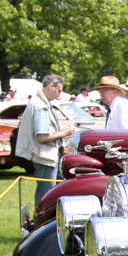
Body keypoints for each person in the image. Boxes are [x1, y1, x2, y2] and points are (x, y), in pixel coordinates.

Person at [15, 74, 76, 203]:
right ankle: (41, 221)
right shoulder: (40, 106)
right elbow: (42, 137)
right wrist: (63, 133)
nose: (59, 95)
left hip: (48, 156)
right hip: (45, 157)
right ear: (50, 86)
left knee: (56, 190)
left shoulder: (40, 102)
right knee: (46, 196)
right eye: (58, 90)